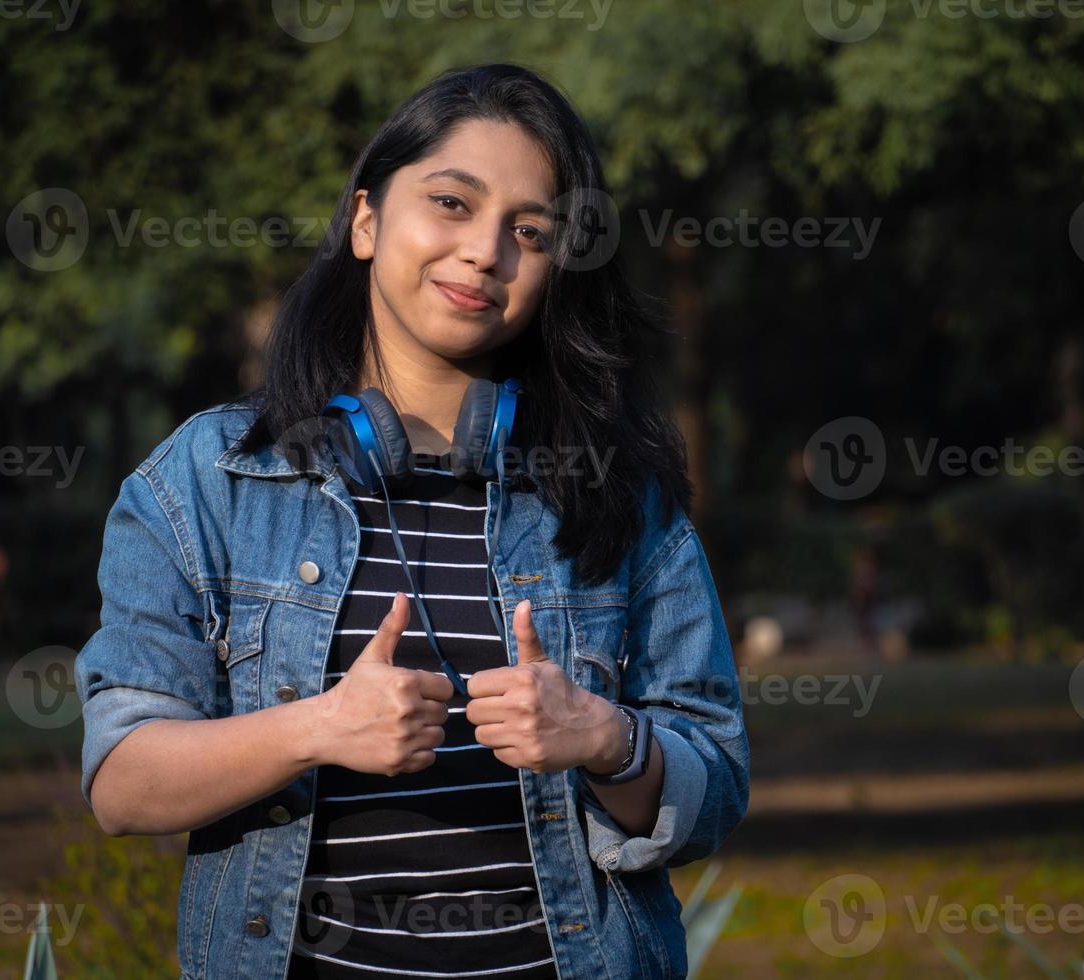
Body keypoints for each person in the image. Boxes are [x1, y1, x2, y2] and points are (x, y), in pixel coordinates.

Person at [74, 62, 749, 980]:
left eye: (530, 230)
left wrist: (606, 739)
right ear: (364, 220)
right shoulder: (206, 477)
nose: (485, 253)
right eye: (451, 202)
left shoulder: (617, 489)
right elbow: (122, 782)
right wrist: (315, 728)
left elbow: (715, 786)